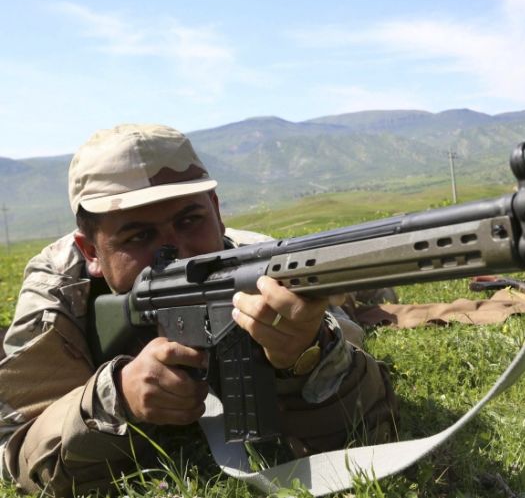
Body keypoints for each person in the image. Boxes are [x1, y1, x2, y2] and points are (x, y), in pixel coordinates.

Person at [0, 124, 398, 496]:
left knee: (346, 299)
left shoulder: (247, 261)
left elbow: (366, 396)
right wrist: (116, 396)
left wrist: (306, 354)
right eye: (139, 235)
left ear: (217, 210)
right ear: (91, 251)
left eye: (191, 220)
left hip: (266, 261)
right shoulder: (59, 291)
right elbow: (16, 450)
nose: (180, 252)